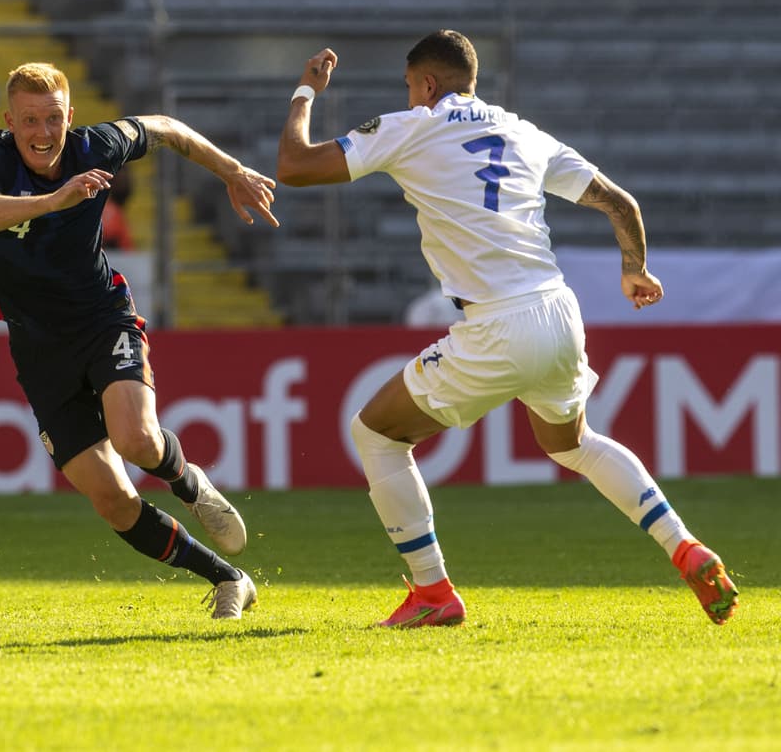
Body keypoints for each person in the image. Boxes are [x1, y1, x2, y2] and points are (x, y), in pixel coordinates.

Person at [276, 31, 738, 627]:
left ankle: (432, 593)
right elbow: (621, 203)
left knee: (377, 434)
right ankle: (685, 546)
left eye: (412, 87)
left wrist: (305, 93)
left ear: (429, 84)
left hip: (496, 324)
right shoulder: (524, 132)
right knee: (572, 443)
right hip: (558, 311)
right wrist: (635, 270)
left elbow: (293, 165)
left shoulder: (414, 125)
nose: (411, 98)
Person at [0, 62, 279, 619]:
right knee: (111, 499)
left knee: (136, 441)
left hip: (102, 319)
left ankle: (186, 480)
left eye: (53, 118)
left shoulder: (96, 144)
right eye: (29, 120)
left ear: (70, 116)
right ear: (10, 122)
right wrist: (54, 200)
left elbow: (167, 128)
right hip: (38, 349)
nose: (42, 132)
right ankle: (229, 579)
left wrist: (232, 171)